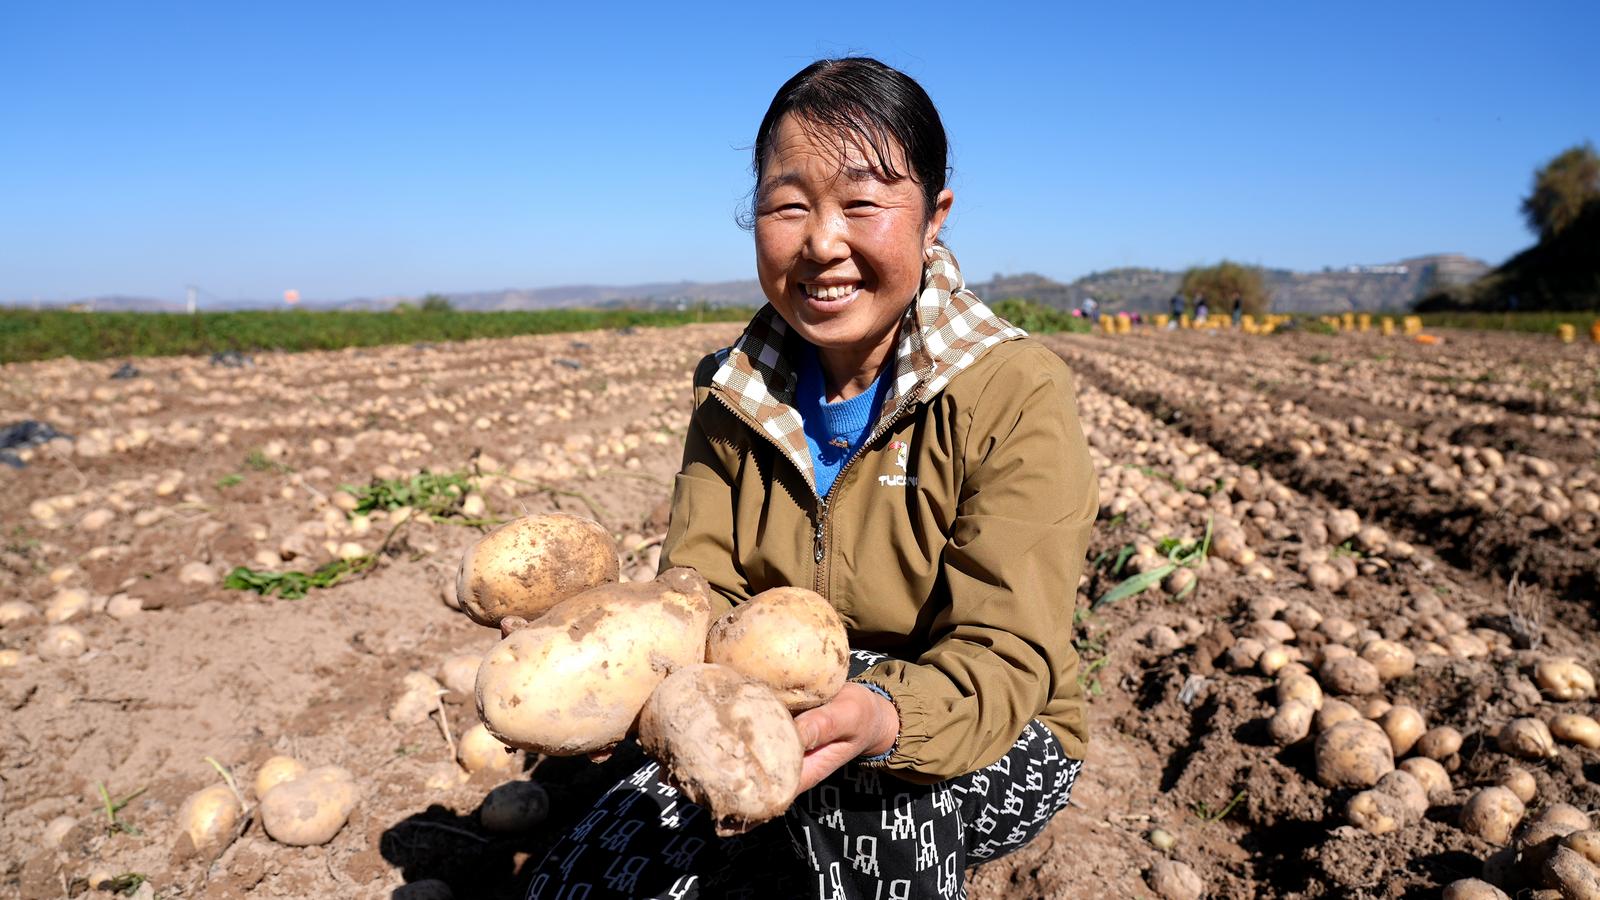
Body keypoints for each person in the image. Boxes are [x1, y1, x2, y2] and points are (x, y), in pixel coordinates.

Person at [524, 57, 1096, 900]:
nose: (823, 243)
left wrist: (880, 716)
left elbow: (1007, 655)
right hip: (771, 711)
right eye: (788, 205)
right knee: (576, 883)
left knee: (859, 792)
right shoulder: (732, 393)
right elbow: (704, 591)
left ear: (933, 218)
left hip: (994, 728)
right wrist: (612, 669)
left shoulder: (1012, 391)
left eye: (863, 204)